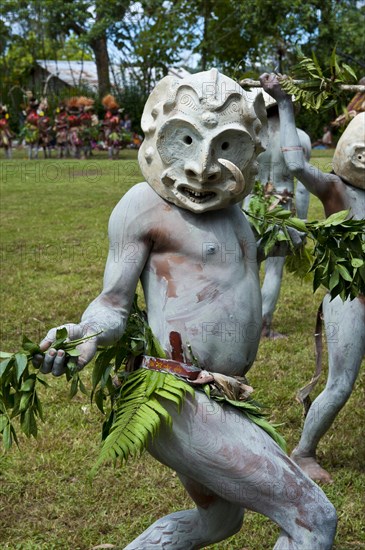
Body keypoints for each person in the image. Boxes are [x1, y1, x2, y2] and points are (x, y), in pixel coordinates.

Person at [35, 69, 336, 548]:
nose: (203, 167)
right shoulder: (145, 206)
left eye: (225, 148)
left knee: (219, 523)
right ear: (159, 136)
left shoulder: (241, 212)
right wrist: (85, 331)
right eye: (188, 141)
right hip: (175, 394)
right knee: (312, 518)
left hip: (222, 395)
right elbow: (112, 303)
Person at [260, 72, 365, 484]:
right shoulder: (335, 189)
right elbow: (295, 163)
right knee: (340, 384)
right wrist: (285, 104)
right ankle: (304, 452)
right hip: (349, 297)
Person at [244, 91, 311, 338]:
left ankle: (243, 319)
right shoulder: (300, 138)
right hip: (281, 208)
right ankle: (263, 326)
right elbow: (303, 188)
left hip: (251, 206)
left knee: (248, 265)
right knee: (274, 269)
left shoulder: (253, 136)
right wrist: (301, 223)